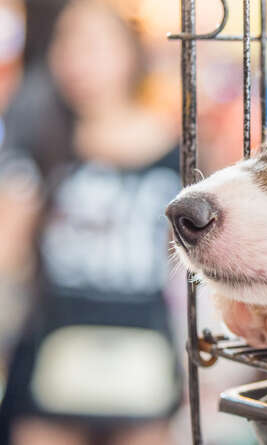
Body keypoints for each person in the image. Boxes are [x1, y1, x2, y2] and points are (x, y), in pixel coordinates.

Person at [0, 1, 182, 444]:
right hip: (50, 355)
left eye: (93, 44)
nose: (76, 58)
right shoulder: (37, 138)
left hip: (144, 361)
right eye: (65, 43)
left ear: (130, 54)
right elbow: (7, 254)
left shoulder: (176, 151)